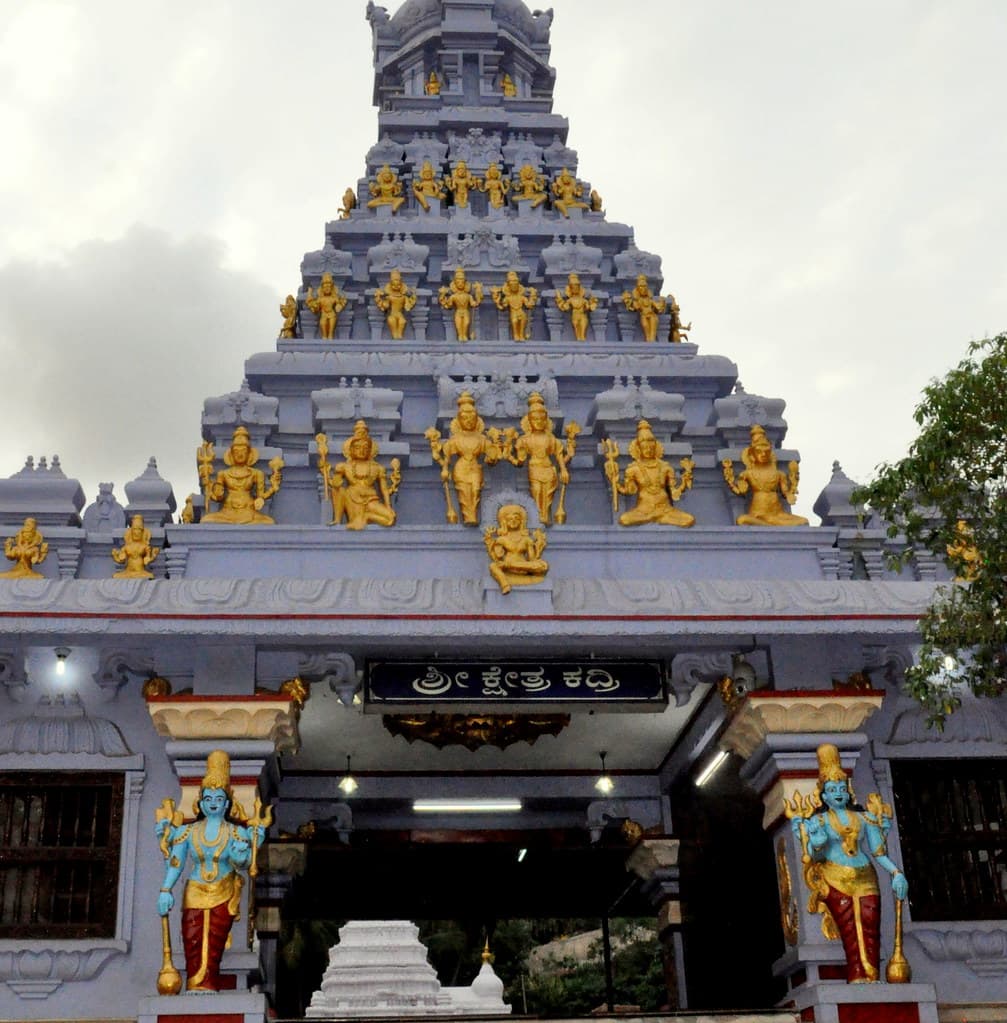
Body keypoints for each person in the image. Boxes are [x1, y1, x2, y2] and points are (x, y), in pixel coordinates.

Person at [789, 744, 908, 984]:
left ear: (849, 791)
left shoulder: (863, 818)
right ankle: (857, 974)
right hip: (835, 878)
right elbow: (813, 855)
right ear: (823, 795)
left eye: (842, 788)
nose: (838, 793)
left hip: (866, 877)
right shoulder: (819, 820)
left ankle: (872, 974)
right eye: (832, 789)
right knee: (850, 930)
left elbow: (878, 852)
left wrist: (896, 873)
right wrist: (818, 842)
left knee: (870, 927)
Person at [156, 751, 269, 992]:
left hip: (223, 889)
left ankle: (209, 983)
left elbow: (243, 863)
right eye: (208, 798)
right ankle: (196, 985)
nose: (213, 802)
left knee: (215, 941)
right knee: (193, 938)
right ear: (200, 802)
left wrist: (245, 849)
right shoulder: (189, 832)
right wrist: (166, 889)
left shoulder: (234, 832)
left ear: (227, 803)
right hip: (195, 890)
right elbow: (176, 862)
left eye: (218, 798)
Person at [425, 392, 503, 525]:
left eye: (472, 418)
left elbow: (492, 454)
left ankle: (473, 515)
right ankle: (468, 517)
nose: (468, 421)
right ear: (459, 420)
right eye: (465, 418)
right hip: (461, 467)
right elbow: (446, 456)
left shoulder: (481, 438)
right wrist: (444, 467)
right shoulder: (455, 439)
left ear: (477, 419)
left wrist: (496, 445)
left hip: (475, 467)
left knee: (476, 490)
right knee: (463, 492)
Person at [508, 393, 580, 525]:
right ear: (529, 421)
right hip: (534, 468)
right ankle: (538, 516)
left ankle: (545, 516)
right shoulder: (524, 440)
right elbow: (521, 461)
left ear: (546, 420)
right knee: (536, 491)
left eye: (542, 419)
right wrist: (510, 456)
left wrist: (566, 463)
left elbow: (559, 457)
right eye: (535, 419)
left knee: (548, 496)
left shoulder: (550, 439)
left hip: (549, 470)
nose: (539, 422)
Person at [606, 421, 695, 527]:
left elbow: (674, 492)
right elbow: (629, 491)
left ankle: (658, 516)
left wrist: (685, 479)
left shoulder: (665, 467)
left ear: (655, 447)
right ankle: (653, 517)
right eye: (645, 447)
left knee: (689, 520)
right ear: (638, 448)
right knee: (624, 519)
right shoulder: (633, 469)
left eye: (650, 446)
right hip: (643, 510)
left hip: (665, 509)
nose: (648, 449)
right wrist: (614, 481)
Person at [317, 420, 400, 530]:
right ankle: (337, 519)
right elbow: (336, 486)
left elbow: (384, 489)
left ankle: (367, 516)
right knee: (338, 490)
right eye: (357, 448)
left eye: (365, 448)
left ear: (370, 450)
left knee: (391, 518)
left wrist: (388, 506)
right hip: (352, 498)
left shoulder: (377, 468)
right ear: (351, 450)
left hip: (371, 500)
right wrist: (327, 469)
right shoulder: (344, 466)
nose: (361, 451)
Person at [722, 425, 809, 526]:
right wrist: (731, 480)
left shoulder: (779, 474)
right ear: (751, 454)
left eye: (766, 452)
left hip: (778, 513)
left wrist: (790, 493)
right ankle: (772, 525)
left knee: (804, 521)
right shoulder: (748, 474)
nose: (763, 454)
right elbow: (741, 491)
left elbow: (785, 492)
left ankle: (771, 525)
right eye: (759, 451)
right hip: (758, 514)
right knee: (742, 520)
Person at [199, 427, 283, 524]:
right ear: (231, 454)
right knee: (206, 520)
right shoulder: (223, 474)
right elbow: (219, 497)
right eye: (236, 451)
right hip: (227, 511)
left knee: (269, 522)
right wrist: (209, 485)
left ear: (249, 453)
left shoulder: (256, 473)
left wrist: (273, 487)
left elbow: (260, 497)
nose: (240, 454)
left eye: (243, 451)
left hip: (249, 511)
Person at [484, 504, 548, 594]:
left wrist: (539, 543)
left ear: (521, 521)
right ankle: (504, 584)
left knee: (542, 565)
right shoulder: (502, 539)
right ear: (504, 522)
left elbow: (532, 560)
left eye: (516, 518)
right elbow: (497, 558)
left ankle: (510, 567)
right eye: (510, 519)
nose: (513, 521)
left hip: (522, 567)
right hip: (507, 568)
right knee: (493, 566)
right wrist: (490, 540)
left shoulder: (527, 539)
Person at [438, 268, 484, 342]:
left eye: (462, 281)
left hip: (466, 311)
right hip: (458, 312)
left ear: (465, 283)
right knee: (458, 325)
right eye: (458, 282)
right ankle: (460, 335)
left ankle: (464, 335)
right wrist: (442, 296)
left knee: (466, 323)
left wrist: (478, 293)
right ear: (455, 283)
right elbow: (449, 305)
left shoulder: (468, 296)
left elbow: (474, 304)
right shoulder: (453, 296)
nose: (460, 284)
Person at [492, 271, 538, 342]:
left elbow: (528, 305)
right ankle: (516, 335)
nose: (514, 287)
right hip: (514, 313)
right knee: (514, 321)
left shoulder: (522, 297)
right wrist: (498, 301)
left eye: (516, 284)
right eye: (512, 285)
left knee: (523, 321)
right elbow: (503, 307)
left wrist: (532, 298)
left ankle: (521, 335)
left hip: (521, 312)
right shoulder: (507, 298)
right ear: (508, 286)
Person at [374, 270, 418, 339]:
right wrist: (378, 297)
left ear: (401, 285)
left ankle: (399, 335)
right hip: (392, 314)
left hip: (400, 315)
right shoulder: (389, 297)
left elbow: (407, 307)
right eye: (394, 285)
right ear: (391, 285)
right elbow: (386, 306)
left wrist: (413, 296)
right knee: (392, 321)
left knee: (402, 322)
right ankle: (395, 335)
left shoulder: (404, 297)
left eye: (399, 285)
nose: (397, 287)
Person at [622, 274, 666, 342]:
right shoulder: (638, 299)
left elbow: (657, 306)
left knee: (653, 333)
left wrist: (661, 303)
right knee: (646, 330)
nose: (643, 288)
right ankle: (649, 341)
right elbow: (635, 307)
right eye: (641, 286)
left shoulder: (649, 299)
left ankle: (652, 342)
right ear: (637, 288)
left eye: (645, 286)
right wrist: (628, 301)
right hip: (644, 315)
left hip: (652, 315)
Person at [554, 272, 598, 341]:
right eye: (573, 287)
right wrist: (559, 298)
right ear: (570, 289)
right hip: (575, 316)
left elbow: (588, 308)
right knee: (576, 329)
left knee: (583, 330)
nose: (576, 288)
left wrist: (592, 301)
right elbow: (566, 307)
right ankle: (578, 339)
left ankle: (582, 339)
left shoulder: (583, 300)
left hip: (583, 315)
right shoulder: (570, 300)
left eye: (577, 287)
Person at [305, 272, 348, 341]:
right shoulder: (320, 298)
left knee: (331, 326)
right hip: (324, 314)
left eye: (329, 287)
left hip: (332, 314)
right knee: (323, 323)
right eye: (325, 287)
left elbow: (340, 302)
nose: (327, 289)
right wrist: (312, 303)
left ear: (332, 288)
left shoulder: (334, 298)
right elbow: (316, 306)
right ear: (322, 289)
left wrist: (340, 305)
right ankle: (324, 336)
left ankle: (330, 335)